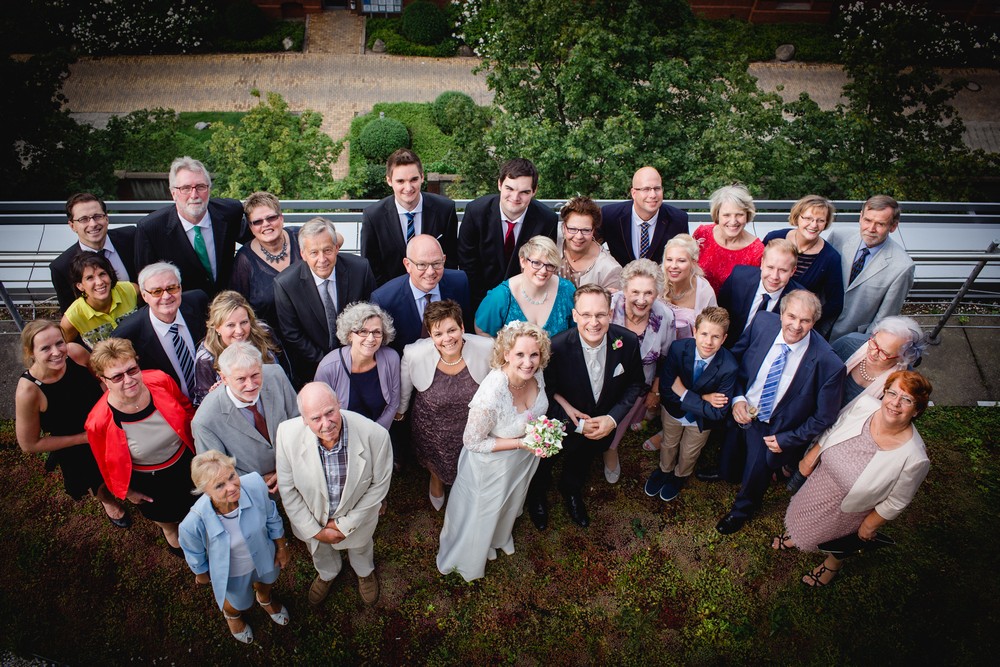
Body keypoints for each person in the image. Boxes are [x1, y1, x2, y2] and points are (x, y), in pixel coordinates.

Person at [773, 371, 932, 587]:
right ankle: (798, 535)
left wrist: (869, 525)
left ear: (917, 410)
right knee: (802, 516)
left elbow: (897, 501)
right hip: (819, 482)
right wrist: (811, 457)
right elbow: (834, 430)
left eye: (907, 400)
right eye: (892, 393)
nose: (895, 403)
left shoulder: (915, 458)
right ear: (884, 393)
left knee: (836, 541)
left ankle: (832, 564)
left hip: (847, 511)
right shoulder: (865, 404)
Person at [715, 290, 845, 535]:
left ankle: (741, 511)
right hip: (742, 407)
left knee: (755, 475)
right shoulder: (762, 323)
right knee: (730, 448)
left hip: (773, 429)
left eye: (805, 320)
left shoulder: (829, 364)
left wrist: (789, 439)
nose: (796, 326)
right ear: (782, 313)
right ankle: (725, 473)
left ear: (814, 322)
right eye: (791, 317)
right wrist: (737, 399)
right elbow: (735, 361)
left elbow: (824, 416)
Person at [436, 321, 552, 581]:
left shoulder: (537, 373)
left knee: (512, 500)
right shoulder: (492, 392)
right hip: (491, 466)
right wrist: (521, 443)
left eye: (534, 354)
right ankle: (476, 549)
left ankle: (499, 536)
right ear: (506, 354)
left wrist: (541, 435)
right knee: (485, 510)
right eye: (520, 354)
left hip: (523, 459)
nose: (528, 363)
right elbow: (472, 441)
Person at [527, 285, 647, 529]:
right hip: (561, 423)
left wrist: (612, 419)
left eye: (601, 314)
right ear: (575, 315)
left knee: (581, 461)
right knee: (545, 463)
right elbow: (545, 392)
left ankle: (571, 490)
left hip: (601, 426)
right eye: (586, 315)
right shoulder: (556, 347)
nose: (594, 322)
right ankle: (537, 495)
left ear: (610, 314)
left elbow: (635, 383)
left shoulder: (627, 342)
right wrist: (577, 424)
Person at [276, 382, 392, 606]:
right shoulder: (286, 435)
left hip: (358, 521)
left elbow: (379, 486)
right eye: (316, 418)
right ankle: (328, 573)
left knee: (361, 547)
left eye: (330, 412)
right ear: (303, 419)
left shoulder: (375, 435)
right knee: (319, 551)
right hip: (313, 521)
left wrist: (344, 526)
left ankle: (364, 572)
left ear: (339, 403)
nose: (326, 424)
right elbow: (288, 489)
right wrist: (315, 531)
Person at [85, 338, 197, 556]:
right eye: (117, 376)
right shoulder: (98, 422)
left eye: (132, 370)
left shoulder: (160, 380)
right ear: (103, 380)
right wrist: (128, 493)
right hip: (151, 483)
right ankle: (190, 558)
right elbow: (105, 464)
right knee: (170, 524)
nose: (129, 380)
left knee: (200, 509)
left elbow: (186, 408)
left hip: (187, 463)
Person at [15, 321, 129, 527]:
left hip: (109, 424)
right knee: (96, 481)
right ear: (30, 352)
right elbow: (29, 444)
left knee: (127, 462)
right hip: (77, 445)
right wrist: (83, 438)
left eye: (59, 343)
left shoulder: (76, 353)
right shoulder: (28, 392)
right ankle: (108, 502)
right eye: (45, 348)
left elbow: (101, 379)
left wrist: (115, 407)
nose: (57, 352)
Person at [179, 451, 290, 644]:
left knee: (268, 581)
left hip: (266, 556)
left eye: (232, 476)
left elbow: (272, 517)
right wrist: (202, 575)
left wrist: (281, 548)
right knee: (238, 602)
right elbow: (194, 555)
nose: (232, 487)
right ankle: (232, 615)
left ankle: (265, 599)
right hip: (233, 573)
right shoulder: (192, 524)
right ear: (205, 491)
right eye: (219, 485)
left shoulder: (255, 484)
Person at [397, 300, 493, 510]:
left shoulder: (486, 348)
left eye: (452, 330)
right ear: (430, 336)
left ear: (462, 327)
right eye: (438, 334)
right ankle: (436, 479)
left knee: (471, 462)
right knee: (435, 457)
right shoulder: (413, 354)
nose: (447, 338)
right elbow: (405, 388)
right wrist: (400, 411)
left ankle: (467, 486)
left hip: (471, 423)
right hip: (432, 424)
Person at [645, 307, 738, 502]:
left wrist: (685, 393)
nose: (708, 342)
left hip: (700, 421)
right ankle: (665, 469)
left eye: (715, 336)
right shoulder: (678, 349)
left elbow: (718, 413)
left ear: (724, 338)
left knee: (689, 452)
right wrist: (704, 398)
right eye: (704, 334)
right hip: (673, 412)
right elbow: (668, 391)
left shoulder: (729, 367)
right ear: (695, 331)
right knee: (669, 443)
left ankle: (680, 475)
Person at [273, 217, 376, 386]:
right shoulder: (286, 284)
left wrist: (355, 356)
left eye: (327, 250)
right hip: (313, 368)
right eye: (314, 252)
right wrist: (330, 362)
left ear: (336, 248)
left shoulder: (360, 269)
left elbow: (372, 314)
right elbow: (292, 334)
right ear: (303, 254)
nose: (322, 259)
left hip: (360, 360)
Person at [192, 342, 299, 495]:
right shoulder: (205, 421)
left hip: (297, 471)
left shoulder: (276, 375)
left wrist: (288, 468)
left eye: (255, 375)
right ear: (224, 378)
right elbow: (214, 471)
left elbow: (298, 420)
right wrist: (257, 481)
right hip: (255, 493)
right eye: (241, 379)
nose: (250, 385)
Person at [603, 259, 675, 483]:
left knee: (624, 415)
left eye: (648, 293)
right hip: (603, 375)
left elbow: (666, 358)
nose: (641, 300)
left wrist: (655, 390)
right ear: (624, 290)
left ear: (657, 293)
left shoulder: (665, 316)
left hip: (640, 381)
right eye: (635, 292)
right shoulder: (608, 307)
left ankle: (611, 448)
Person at [134, 156, 246, 299]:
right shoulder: (150, 229)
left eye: (200, 187)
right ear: (173, 194)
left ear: (209, 189)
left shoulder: (230, 212)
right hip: (184, 306)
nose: (194, 195)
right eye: (185, 188)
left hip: (228, 303)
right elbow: (146, 281)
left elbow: (259, 239)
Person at [456, 158, 558, 309]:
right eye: (509, 188)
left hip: (525, 302)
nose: (515, 197)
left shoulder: (547, 220)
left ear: (534, 191)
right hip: (480, 300)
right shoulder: (475, 212)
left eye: (524, 192)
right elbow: (467, 264)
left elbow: (543, 266)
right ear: (499, 184)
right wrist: (488, 304)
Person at [361, 148, 459, 287]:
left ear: (422, 177)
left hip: (435, 292)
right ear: (389, 181)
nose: (408, 188)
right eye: (400, 181)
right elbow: (371, 267)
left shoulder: (445, 210)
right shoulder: (373, 216)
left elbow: (451, 261)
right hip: (391, 294)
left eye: (414, 179)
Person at [111, 262, 208, 401]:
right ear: (144, 296)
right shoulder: (127, 335)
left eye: (172, 288)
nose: (166, 296)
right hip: (170, 404)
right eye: (157, 291)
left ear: (180, 288)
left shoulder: (198, 302)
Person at [827, 195, 915, 341]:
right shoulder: (838, 237)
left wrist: (862, 344)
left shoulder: (902, 267)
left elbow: (884, 318)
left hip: (852, 337)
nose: (871, 229)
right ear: (860, 217)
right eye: (867, 220)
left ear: (893, 226)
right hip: (816, 325)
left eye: (880, 224)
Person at [370, 234, 471, 355]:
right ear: (407, 265)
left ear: (444, 260)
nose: (430, 272)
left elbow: (467, 327)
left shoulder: (460, 282)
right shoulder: (384, 300)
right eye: (422, 265)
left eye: (436, 263)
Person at [762, 195, 844, 337]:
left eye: (820, 220)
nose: (813, 225)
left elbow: (835, 303)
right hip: (762, 313)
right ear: (797, 217)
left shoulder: (830, 257)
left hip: (795, 328)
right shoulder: (774, 238)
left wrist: (807, 320)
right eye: (808, 218)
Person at [314, 302, 401, 432]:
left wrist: (376, 433)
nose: (370, 338)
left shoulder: (391, 358)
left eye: (377, 332)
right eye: (363, 331)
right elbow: (322, 412)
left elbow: (393, 403)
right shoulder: (328, 367)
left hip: (380, 432)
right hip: (343, 434)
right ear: (350, 335)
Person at [193, 290, 286, 405]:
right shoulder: (206, 358)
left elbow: (286, 373)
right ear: (217, 327)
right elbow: (203, 405)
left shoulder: (264, 333)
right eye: (231, 325)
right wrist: (219, 394)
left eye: (244, 322)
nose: (239, 331)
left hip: (276, 402)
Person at [51, 192, 137, 313]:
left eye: (97, 216)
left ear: (106, 218)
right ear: (72, 226)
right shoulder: (62, 267)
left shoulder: (131, 238)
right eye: (83, 219)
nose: (93, 224)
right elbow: (71, 313)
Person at [474, 236, 576, 338]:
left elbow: (577, 330)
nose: (543, 271)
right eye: (536, 263)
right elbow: (482, 331)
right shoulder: (501, 296)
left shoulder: (567, 290)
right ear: (523, 261)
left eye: (550, 265)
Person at [229, 191, 302, 333]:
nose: (266, 224)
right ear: (251, 227)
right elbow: (238, 304)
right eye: (257, 222)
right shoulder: (244, 260)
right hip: (270, 338)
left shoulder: (300, 237)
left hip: (312, 331)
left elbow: (332, 240)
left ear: (281, 218)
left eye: (271, 218)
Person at [717, 238, 803, 348]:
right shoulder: (739, 278)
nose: (774, 276)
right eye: (770, 267)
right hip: (726, 346)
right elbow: (719, 312)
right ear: (762, 263)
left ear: (792, 271)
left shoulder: (798, 299)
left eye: (783, 270)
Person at [832, 316, 926, 410]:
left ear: (901, 359)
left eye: (884, 353)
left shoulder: (906, 382)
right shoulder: (847, 343)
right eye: (874, 343)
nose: (873, 353)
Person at [601, 166, 689, 266]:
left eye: (657, 188)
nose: (653, 195)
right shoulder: (610, 216)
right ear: (634, 193)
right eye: (646, 189)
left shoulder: (678, 220)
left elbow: (685, 259)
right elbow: (591, 247)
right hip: (620, 275)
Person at [692, 184, 765, 294]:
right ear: (717, 214)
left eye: (739, 215)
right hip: (696, 301)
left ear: (747, 215)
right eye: (726, 215)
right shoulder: (702, 234)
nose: (733, 221)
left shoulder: (757, 251)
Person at [59, 252, 139, 348]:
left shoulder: (132, 290)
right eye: (90, 278)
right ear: (80, 286)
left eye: (102, 274)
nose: (99, 282)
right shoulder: (72, 318)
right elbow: (63, 347)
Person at [556, 196, 622, 291]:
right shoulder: (552, 243)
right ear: (563, 227)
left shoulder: (609, 269)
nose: (579, 236)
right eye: (572, 229)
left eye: (586, 230)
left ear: (593, 230)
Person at [660, 234, 718, 341]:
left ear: (693, 263)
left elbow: (712, 329)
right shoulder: (656, 282)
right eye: (669, 259)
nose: (673, 266)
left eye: (681, 261)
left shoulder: (704, 291)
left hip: (689, 347)